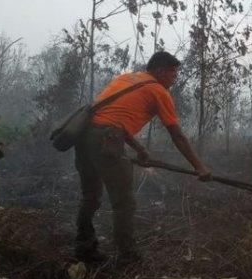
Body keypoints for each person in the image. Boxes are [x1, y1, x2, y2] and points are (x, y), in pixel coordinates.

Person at [74, 51, 211, 264]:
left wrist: (140, 150)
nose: (174, 79)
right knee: (124, 204)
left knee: (90, 196)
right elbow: (177, 135)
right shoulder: (158, 90)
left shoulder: (126, 78)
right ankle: (127, 257)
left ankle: (84, 248)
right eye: (173, 74)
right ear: (159, 71)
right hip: (106, 140)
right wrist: (200, 167)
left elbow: (113, 119)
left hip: (84, 136)